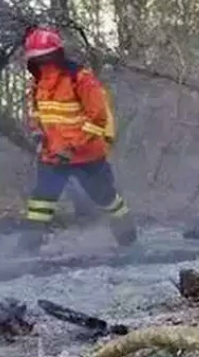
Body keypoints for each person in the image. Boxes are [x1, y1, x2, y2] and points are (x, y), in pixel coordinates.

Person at [17, 26, 137, 252]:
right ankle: (28, 247)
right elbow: (37, 113)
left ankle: (128, 239)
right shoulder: (38, 83)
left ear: (57, 54)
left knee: (106, 198)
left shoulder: (80, 79)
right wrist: (37, 134)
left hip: (87, 155)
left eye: (46, 57)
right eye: (37, 59)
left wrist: (72, 148)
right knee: (41, 200)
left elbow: (98, 117)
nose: (43, 63)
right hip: (52, 154)